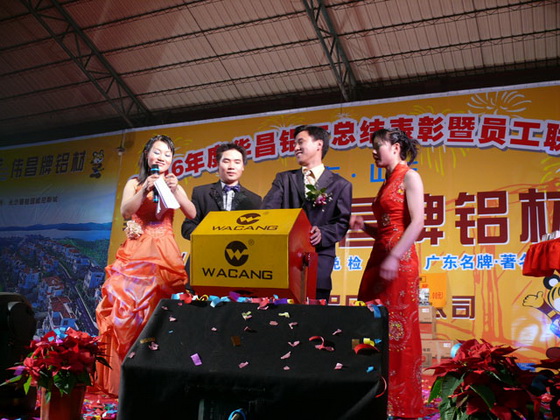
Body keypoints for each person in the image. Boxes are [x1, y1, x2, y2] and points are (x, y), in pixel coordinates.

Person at [95, 134, 196, 397]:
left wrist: (176, 189)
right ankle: (124, 378)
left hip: (164, 254)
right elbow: (126, 211)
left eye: (167, 154)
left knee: (157, 313)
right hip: (137, 253)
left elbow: (192, 212)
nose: (162, 158)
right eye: (157, 152)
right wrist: (145, 189)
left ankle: (152, 376)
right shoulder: (135, 181)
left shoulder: (173, 183)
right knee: (128, 313)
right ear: (147, 155)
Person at [350, 128, 424, 418]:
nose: (373, 151)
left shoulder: (410, 176)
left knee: (398, 331)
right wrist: (365, 227)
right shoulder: (386, 182)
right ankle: (376, 396)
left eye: (377, 146)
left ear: (395, 147)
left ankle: (400, 404)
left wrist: (394, 256)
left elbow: (417, 223)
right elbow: (386, 229)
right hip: (380, 258)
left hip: (399, 262)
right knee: (372, 325)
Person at [262, 125, 352, 301]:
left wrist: (323, 233)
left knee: (314, 310)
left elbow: (342, 222)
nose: (295, 148)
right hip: (284, 259)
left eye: (300, 142)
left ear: (319, 144)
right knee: (280, 310)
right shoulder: (284, 179)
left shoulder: (340, 185)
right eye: (295, 144)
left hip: (319, 259)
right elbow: (268, 211)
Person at [180, 143, 262, 279]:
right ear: (218, 164)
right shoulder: (201, 192)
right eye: (226, 161)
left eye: (237, 162)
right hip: (204, 264)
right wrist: (209, 238)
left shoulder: (254, 200)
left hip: (239, 266)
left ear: (243, 167)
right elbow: (187, 227)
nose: (231, 166)